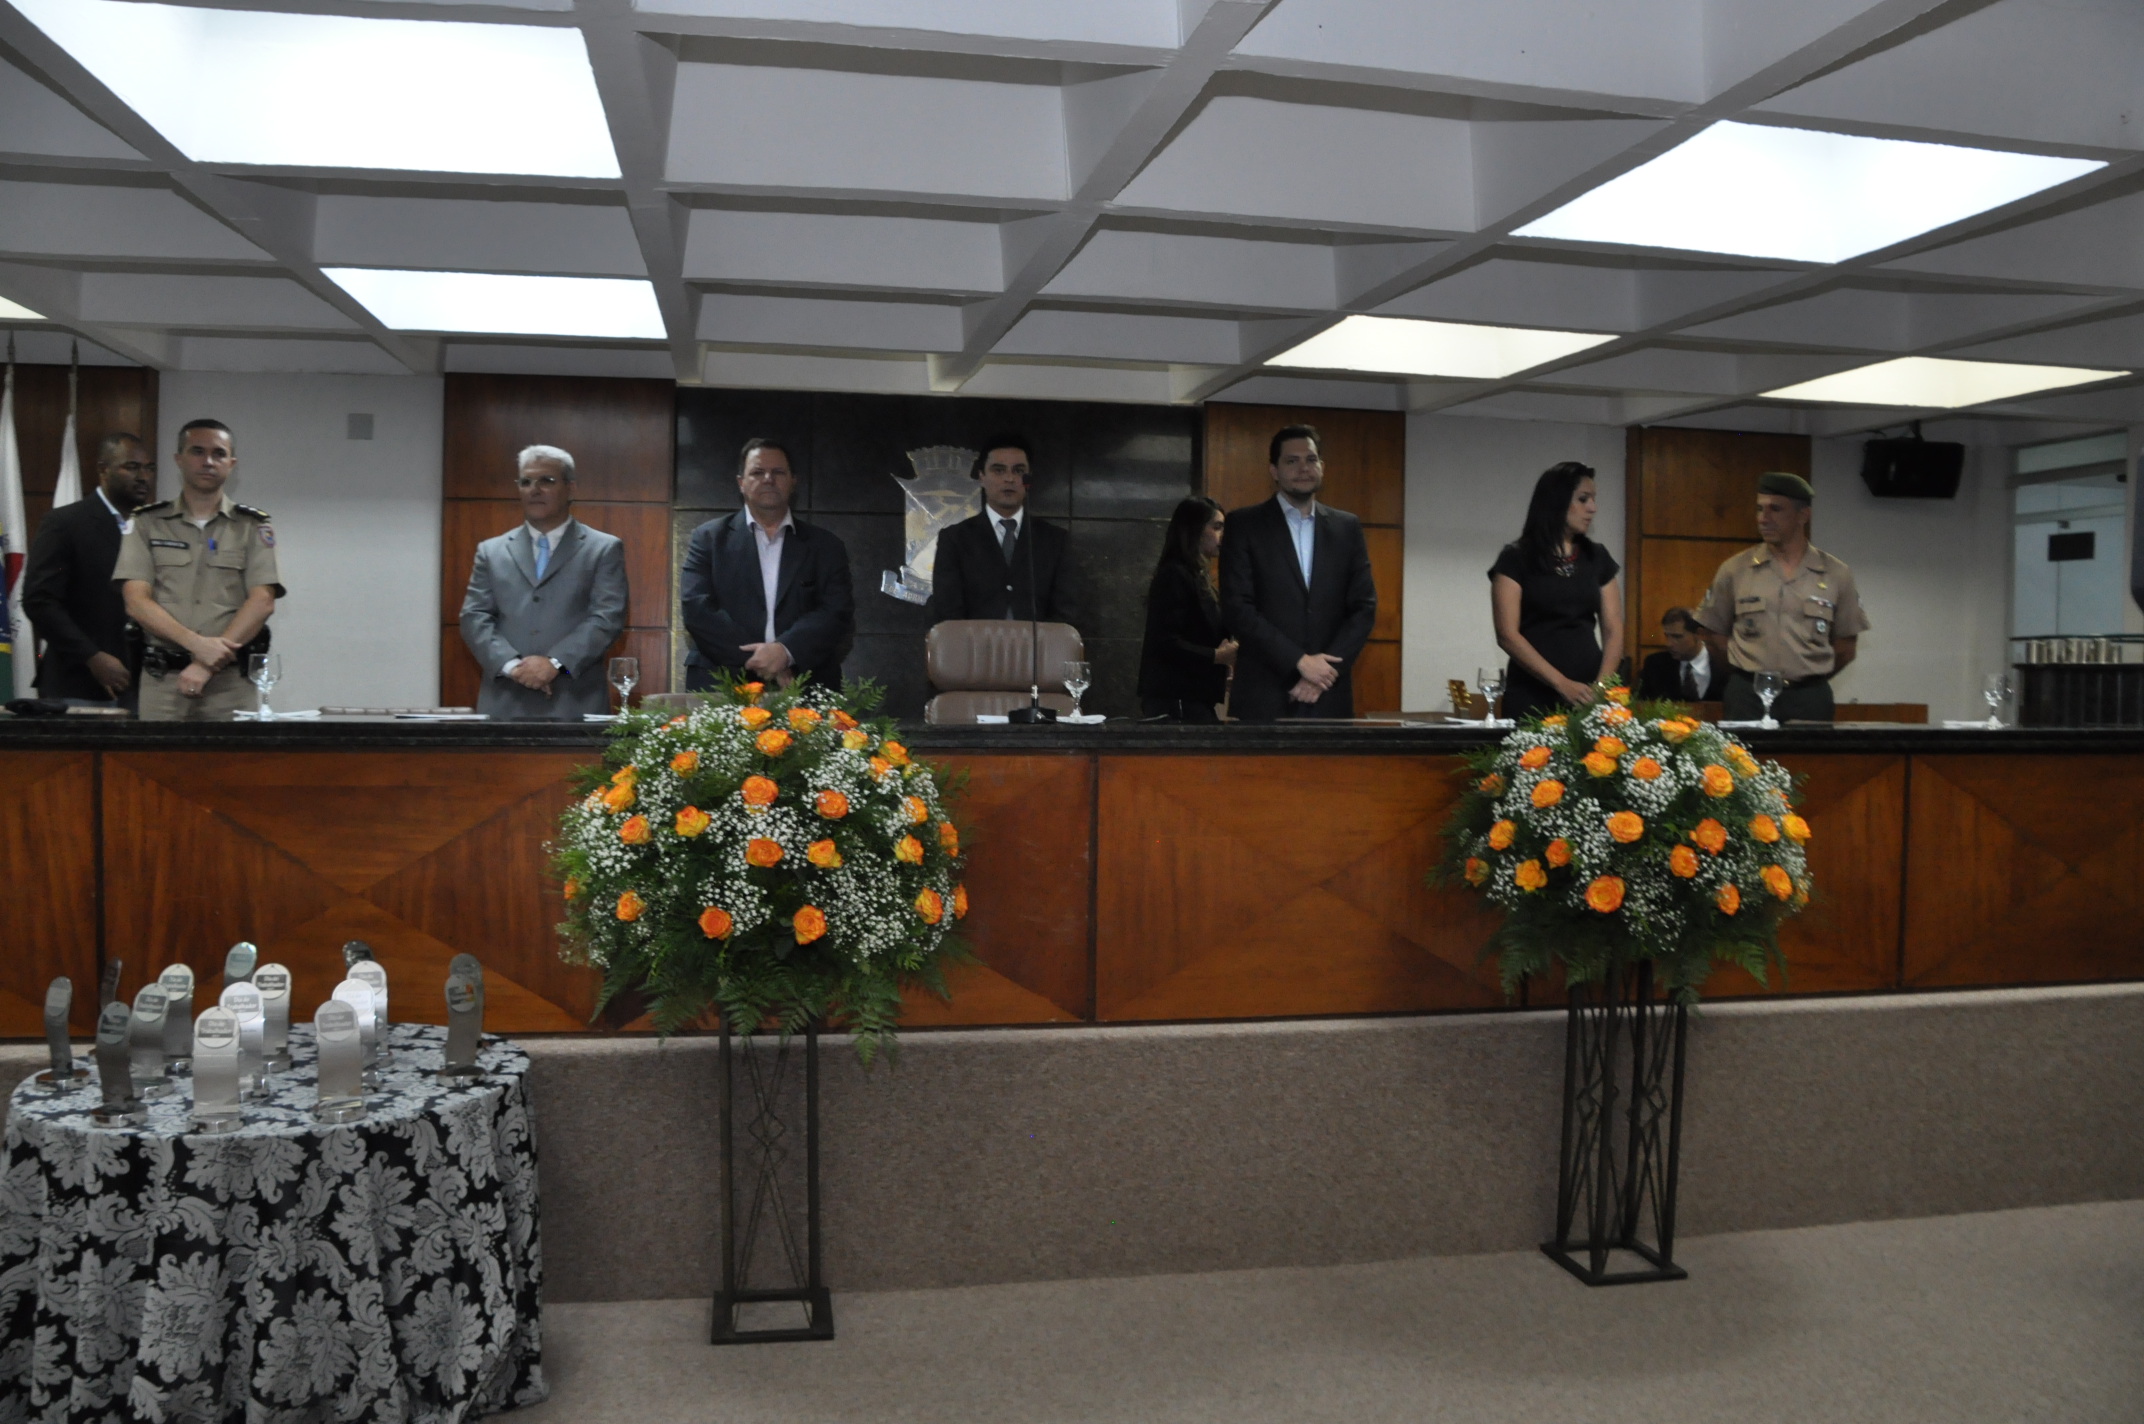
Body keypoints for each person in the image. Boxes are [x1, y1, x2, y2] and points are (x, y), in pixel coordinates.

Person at [113, 419, 282, 722]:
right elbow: (136, 601)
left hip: (230, 684)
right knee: (156, 754)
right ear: (179, 459)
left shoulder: (252, 526)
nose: (208, 462)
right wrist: (196, 645)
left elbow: (262, 601)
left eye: (219, 454)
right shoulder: (146, 523)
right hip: (163, 680)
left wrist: (205, 664)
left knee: (233, 755)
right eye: (197, 451)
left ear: (231, 464)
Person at [1218, 424, 1377, 721]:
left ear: (1322, 467)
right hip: (1264, 695)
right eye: (1292, 461)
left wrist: (1322, 674)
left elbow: (1363, 609)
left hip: (1328, 697)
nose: (1303, 468)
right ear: (1274, 471)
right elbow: (1237, 608)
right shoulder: (1244, 525)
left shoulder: (1347, 528)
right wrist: (1299, 662)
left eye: (1311, 459)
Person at [458, 444, 629, 720]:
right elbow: (474, 617)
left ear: (571, 489)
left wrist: (554, 664)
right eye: (526, 482)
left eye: (546, 481)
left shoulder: (603, 549)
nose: (534, 489)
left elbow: (607, 618)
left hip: (574, 701)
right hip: (505, 701)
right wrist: (513, 667)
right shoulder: (491, 551)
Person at [680, 437, 854, 691]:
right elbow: (697, 608)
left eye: (778, 472)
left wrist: (786, 651)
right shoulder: (708, 539)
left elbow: (836, 611)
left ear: (793, 481)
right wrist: (762, 659)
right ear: (741, 483)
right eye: (758, 472)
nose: (768, 479)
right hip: (721, 681)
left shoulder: (826, 546)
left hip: (804, 682)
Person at [1695, 471, 1868, 722]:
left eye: (1775, 509)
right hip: (1748, 696)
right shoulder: (1735, 569)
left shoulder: (1836, 574)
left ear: (1803, 515)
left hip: (1808, 697)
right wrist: (1745, 675)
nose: (1763, 519)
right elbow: (1713, 635)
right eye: (1759, 509)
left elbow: (1846, 648)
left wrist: (1808, 680)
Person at [21, 432, 155, 706]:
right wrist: (92, 656)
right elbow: (39, 601)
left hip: (144, 685)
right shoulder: (66, 523)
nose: (143, 477)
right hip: (79, 682)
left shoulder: (153, 527)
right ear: (103, 469)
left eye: (148, 468)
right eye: (132, 467)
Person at [1488, 461, 1624, 723]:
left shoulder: (1597, 557)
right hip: (1533, 692)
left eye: (1593, 499)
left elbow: (1614, 629)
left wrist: (1602, 687)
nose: (1592, 508)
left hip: (1589, 693)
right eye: (1583, 499)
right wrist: (1561, 683)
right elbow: (1507, 635)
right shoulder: (1516, 558)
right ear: (1557, 502)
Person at [925, 434, 1077, 629]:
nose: (1009, 478)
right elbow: (947, 611)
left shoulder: (1055, 540)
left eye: (1018, 471)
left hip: (1039, 647)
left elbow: (1066, 612)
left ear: (1028, 478)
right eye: (999, 470)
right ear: (982, 477)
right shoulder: (955, 539)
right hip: (973, 646)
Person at [1137, 496, 1236, 721]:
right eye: (1217, 527)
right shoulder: (1174, 574)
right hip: (1176, 699)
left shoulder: (1198, 576)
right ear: (1194, 529)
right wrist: (1217, 656)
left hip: (1194, 697)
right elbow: (1165, 642)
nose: (1223, 535)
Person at [1637, 607, 1726, 703]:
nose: (1669, 643)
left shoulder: (1723, 664)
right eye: (1667, 636)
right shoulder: (1655, 664)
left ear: (1699, 634)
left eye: (1677, 637)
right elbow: (1640, 703)